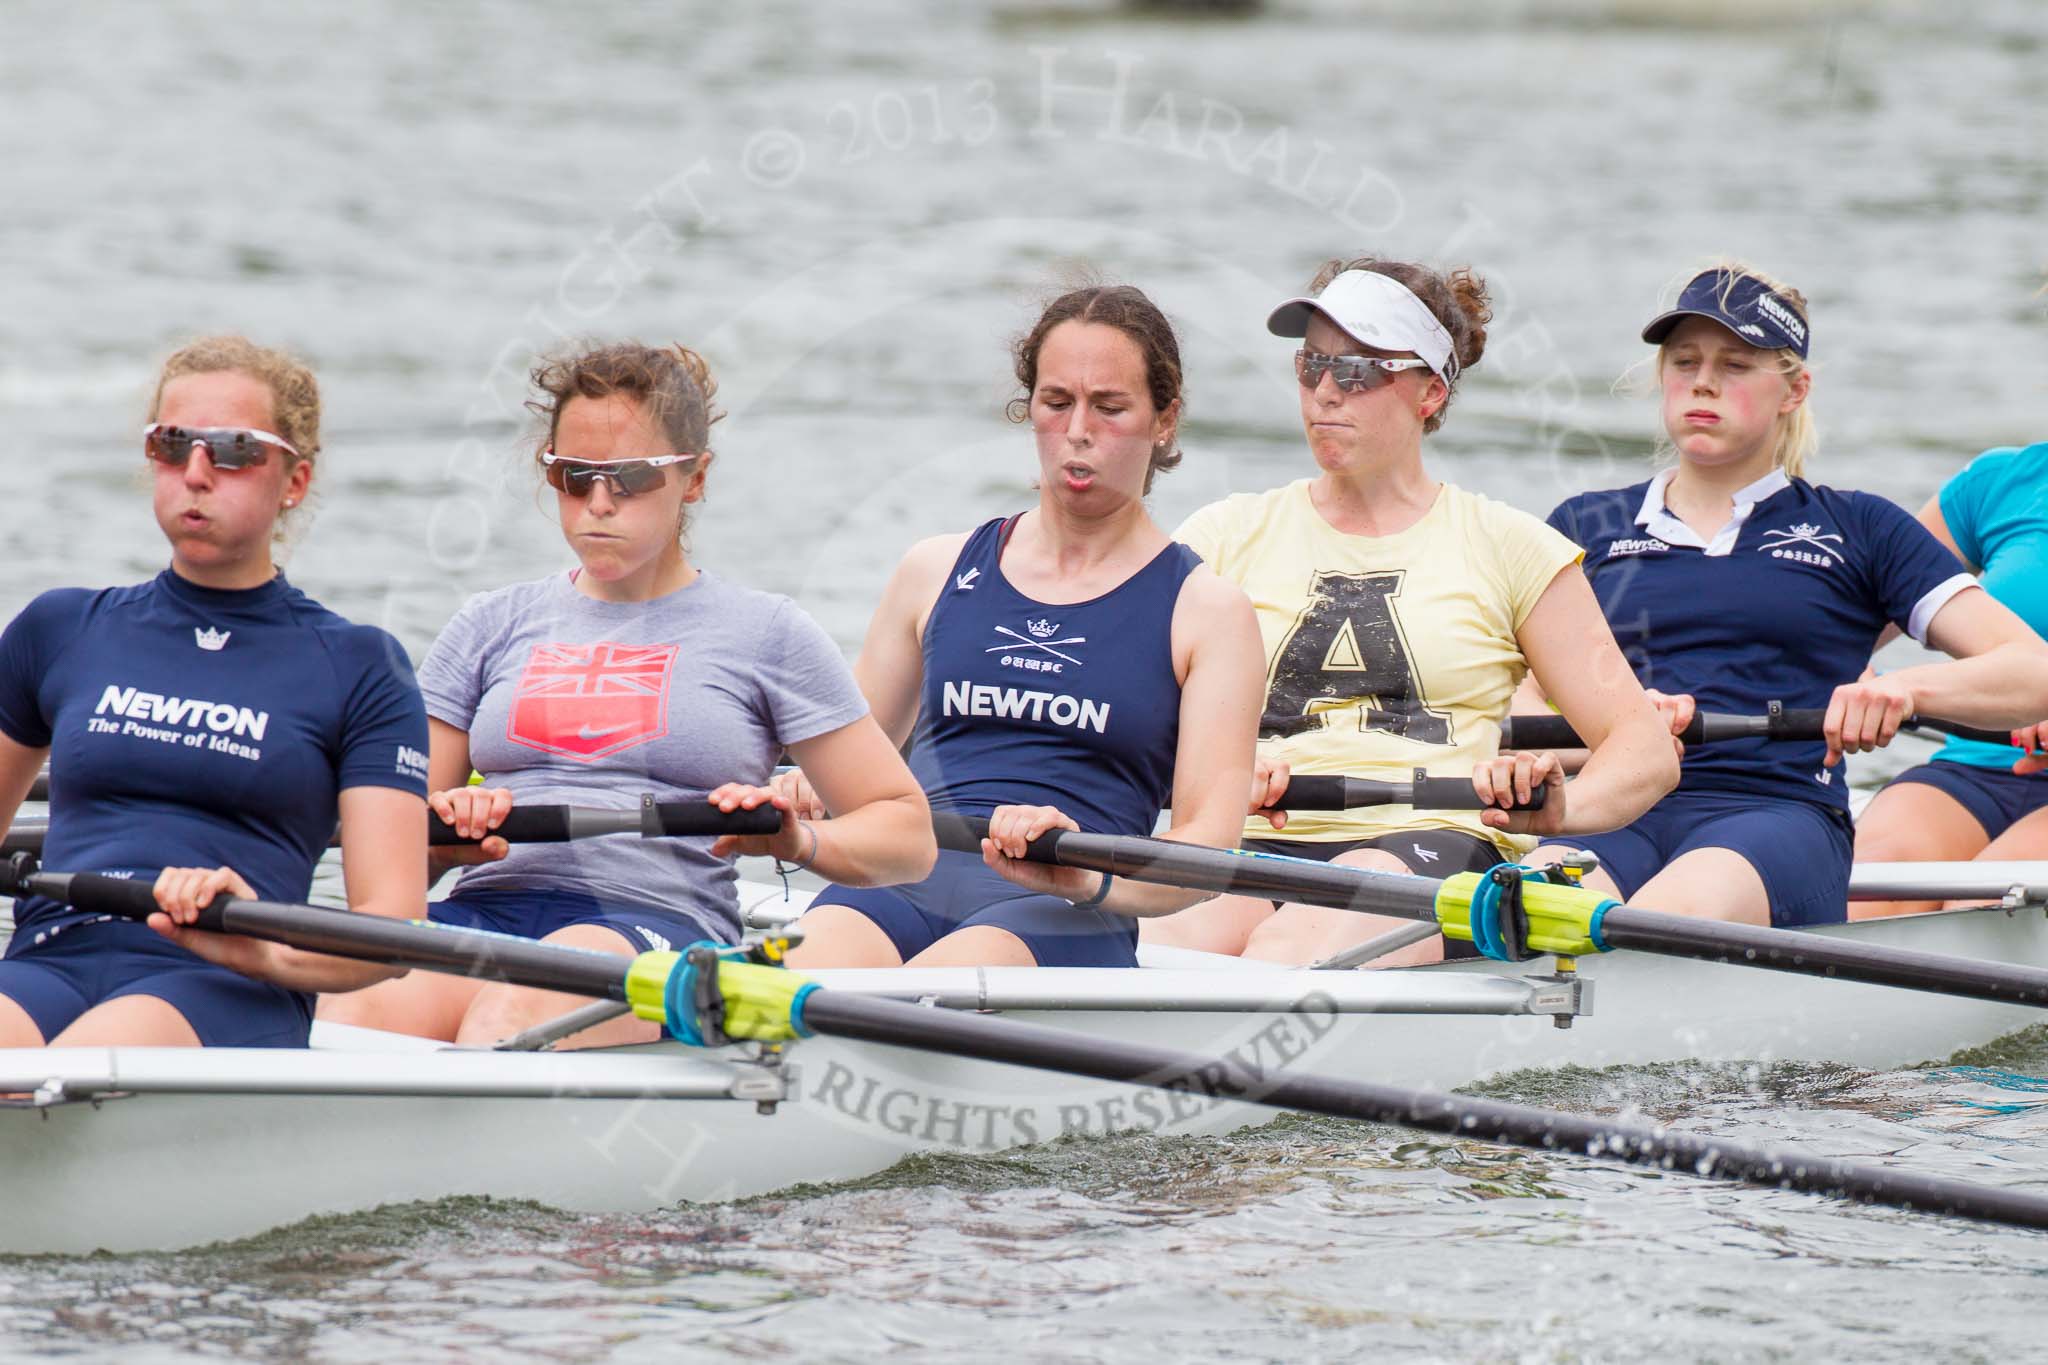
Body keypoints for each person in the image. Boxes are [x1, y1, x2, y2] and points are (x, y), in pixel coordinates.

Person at [318, 343, 933, 1047]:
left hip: (656, 927)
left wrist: (801, 838)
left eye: (631, 477)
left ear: (695, 478)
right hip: (488, 906)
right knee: (349, 1010)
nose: (598, 503)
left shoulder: (768, 633)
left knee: (509, 1019)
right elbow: (388, 847)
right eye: (573, 476)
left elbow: (906, 834)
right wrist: (440, 833)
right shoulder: (489, 624)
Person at [1140, 257, 1677, 967]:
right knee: (1145, 945)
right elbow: (1133, 713)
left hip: (1434, 841)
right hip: (1253, 837)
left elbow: (1646, 750)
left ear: (1429, 391)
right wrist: (1217, 765)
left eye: (1357, 371)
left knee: (1287, 948)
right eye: (1311, 366)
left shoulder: (1509, 546)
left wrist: (1559, 811)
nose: (1325, 393)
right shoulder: (1222, 536)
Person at [1525, 264, 2048, 928]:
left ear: (1794, 390)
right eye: (1684, 361)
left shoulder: (1861, 528)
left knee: (1659, 917)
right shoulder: (1582, 525)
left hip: (1774, 812)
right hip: (1611, 803)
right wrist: (1613, 723)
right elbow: (1500, 694)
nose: (1704, 382)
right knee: (1535, 908)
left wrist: (1903, 691)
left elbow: (2032, 669)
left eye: (1736, 365)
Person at [779, 284, 1265, 970]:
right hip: (903, 881)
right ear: (1028, 407)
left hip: (1064, 904)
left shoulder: (1208, 612)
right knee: (784, 994)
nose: (1078, 431)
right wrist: (806, 784)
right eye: (1057, 401)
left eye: (1110, 406)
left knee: (923, 999)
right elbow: (853, 766)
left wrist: (1096, 880)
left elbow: (1207, 850)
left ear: (1165, 420)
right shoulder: (934, 570)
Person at [0, 335, 429, 1048]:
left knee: (68, 1068)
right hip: (55, 952)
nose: (197, 472)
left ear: (294, 480)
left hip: (234, 976)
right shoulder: (60, 628)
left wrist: (267, 951)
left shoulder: (360, 668)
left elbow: (393, 927)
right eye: (173, 444)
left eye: (233, 449)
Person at [1852, 441, 2048, 915]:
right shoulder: (2004, 482)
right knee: (1865, 887)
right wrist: (1842, 664)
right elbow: (1850, 617)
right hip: (1975, 770)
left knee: (1983, 902)